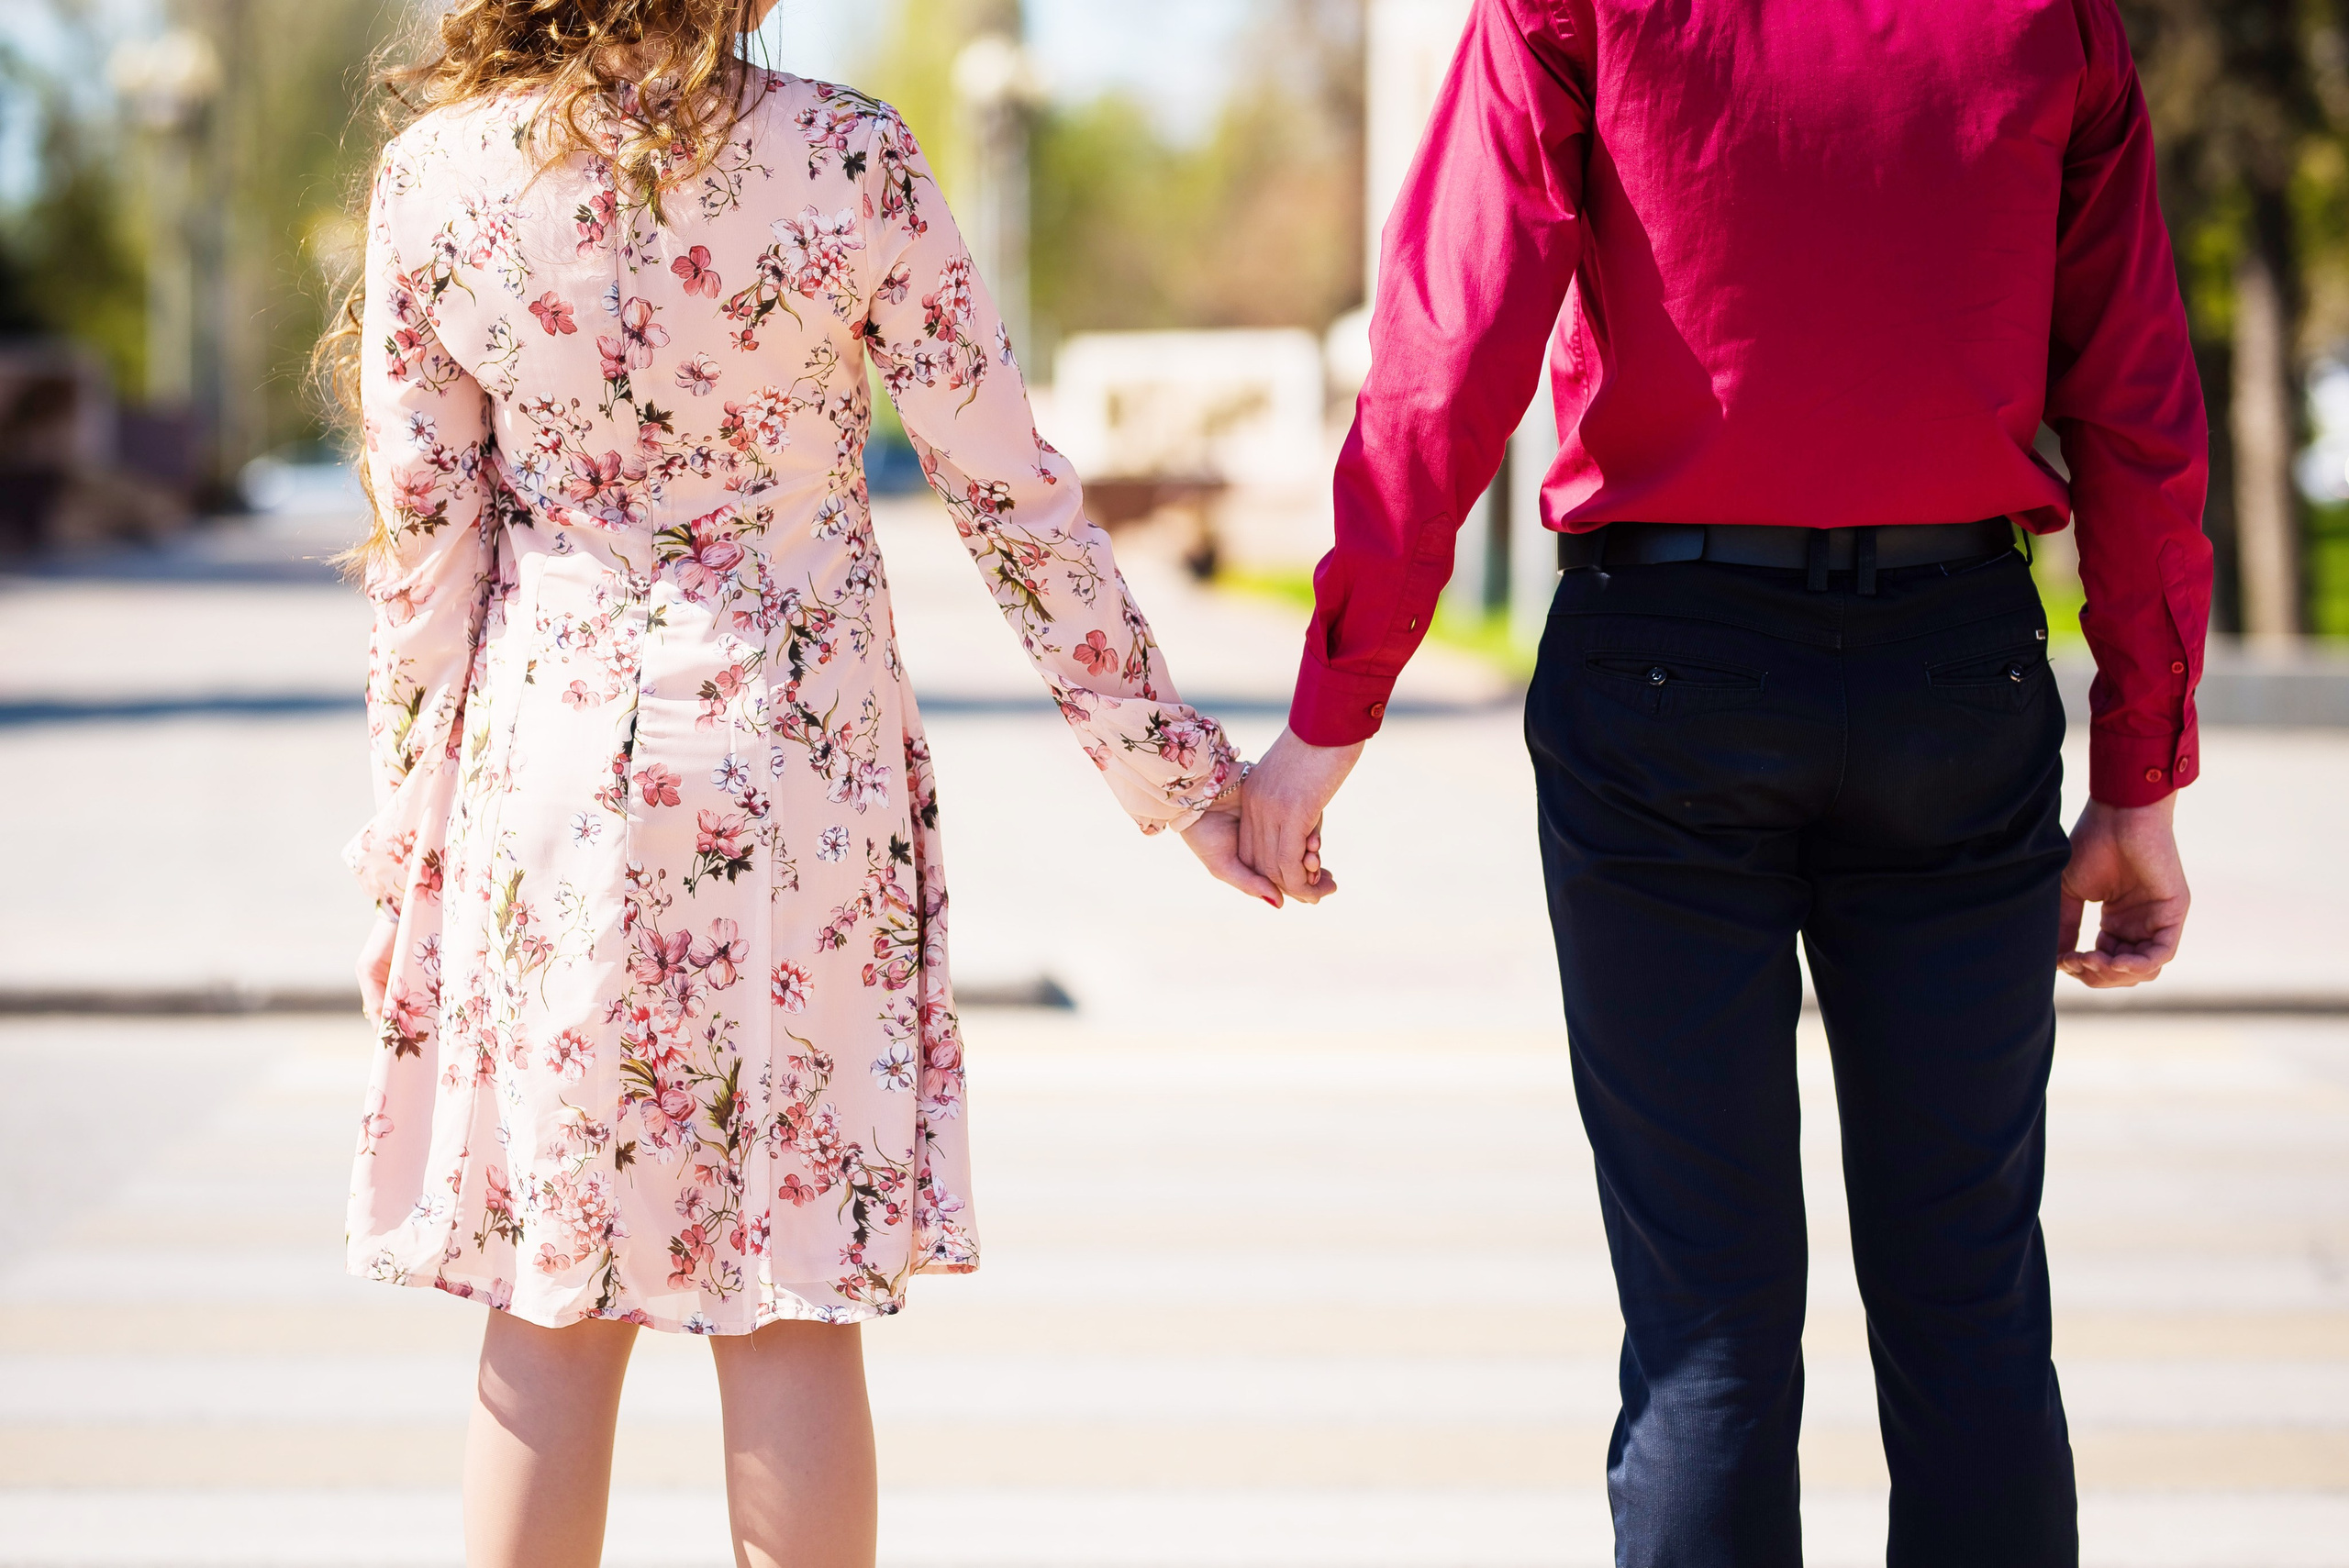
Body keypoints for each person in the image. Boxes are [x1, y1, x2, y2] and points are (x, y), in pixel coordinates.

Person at [1240, 2, 2208, 1563]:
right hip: (1958, 667)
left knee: (1707, 1326)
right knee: (1971, 1310)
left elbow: (1449, 346)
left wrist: (1330, 716)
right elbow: (2137, 406)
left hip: (1665, 665)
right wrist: (2142, 776)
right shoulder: (2057, 17)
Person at [323, 2, 1277, 1562]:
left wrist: (394, 862)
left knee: (547, 1304)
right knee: (793, 1294)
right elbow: (1010, 497)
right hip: (797, 772)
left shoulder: (440, 176)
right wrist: (1182, 775)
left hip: (548, 780)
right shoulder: (848, 157)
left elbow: (423, 574)